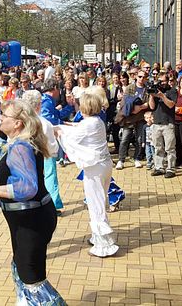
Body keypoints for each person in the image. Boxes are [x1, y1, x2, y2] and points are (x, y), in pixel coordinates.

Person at [0, 99, 66, 304]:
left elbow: (26, 187)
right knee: (23, 270)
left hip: (31, 222)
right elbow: (3, 154)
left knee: (33, 280)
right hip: (30, 220)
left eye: (4, 115)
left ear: (18, 123)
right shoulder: (20, 143)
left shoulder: (21, 147)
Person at [55, 93, 119, 258]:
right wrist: (65, 126)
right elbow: (78, 128)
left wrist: (60, 131)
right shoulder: (97, 121)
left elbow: (73, 137)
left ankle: (103, 245)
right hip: (104, 165)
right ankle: (97, 236)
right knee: (100, 200)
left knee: (95, 203)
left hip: (95, 168)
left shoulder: (90, 123)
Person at [22, 90, 63, 213]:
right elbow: (52, 146)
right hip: (45, 154)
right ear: (39, 105)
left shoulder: (20, 122)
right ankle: (53, 204)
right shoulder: (44, 123)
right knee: (50, 177)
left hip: (25, 157)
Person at [148, 72, 178, 178]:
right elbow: (151, 107)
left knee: (170, 148)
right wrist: (152, 96)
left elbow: (171, 105)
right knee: (157, 147)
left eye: (163, 81)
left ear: (167, 81)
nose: (161, 83)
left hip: (168, 123)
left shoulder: (172, 91)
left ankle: (171, 169)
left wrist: (162, 96)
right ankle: (159, 167)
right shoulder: (156, 90)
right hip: (156, 123)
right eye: (159, 81)